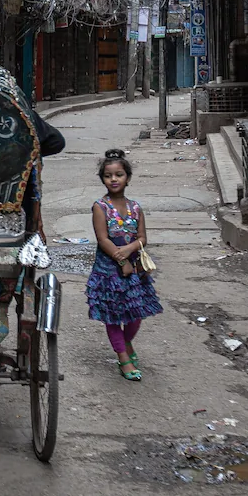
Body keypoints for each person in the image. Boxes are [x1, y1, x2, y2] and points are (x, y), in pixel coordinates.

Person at [85, 149, 162, 381]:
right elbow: (102, 239)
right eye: (109, 176)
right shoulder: (100, 206)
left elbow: (142, 238)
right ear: (103, 179)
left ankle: (126, 342)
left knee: (135, 315)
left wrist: (129, 253)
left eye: (119, 174)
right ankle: (123, 357)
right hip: (108, 272)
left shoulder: (136, 207)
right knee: (112, 316)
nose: (114, 179)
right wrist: (121, 259)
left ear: (127, 177)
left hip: (134, 270)